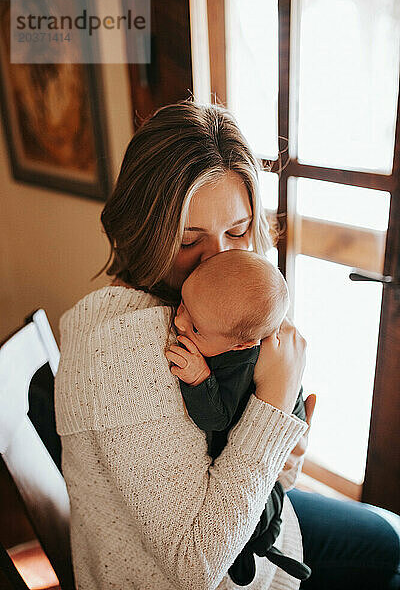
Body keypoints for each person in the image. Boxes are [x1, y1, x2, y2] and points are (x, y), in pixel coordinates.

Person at [54, 100, 400, 590]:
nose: (217, 261)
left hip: (258, 523)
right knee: (391, 553)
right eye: (188, 239)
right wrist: (276, 401)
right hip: (226, 566)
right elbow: (197, 565)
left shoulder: (209, 312)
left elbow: (270, 474)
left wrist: (287, 437)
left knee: (390, 536)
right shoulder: (122, 350)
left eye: (237, 232)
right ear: (143, 230)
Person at [165, 249, 311, 586]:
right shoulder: (226, 323)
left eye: (196, 327)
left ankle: (254, 549)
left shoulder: (240, 366)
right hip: (272, 469)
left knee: (260, 519)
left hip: (263, 484)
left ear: (240, 346)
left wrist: (200, 379)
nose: (179, 321)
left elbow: (216, 418)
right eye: (183, 303)